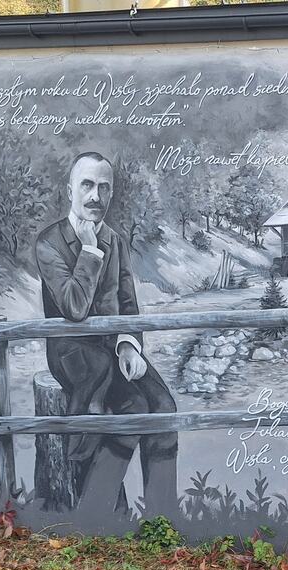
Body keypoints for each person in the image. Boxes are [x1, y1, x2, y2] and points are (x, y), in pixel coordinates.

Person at [35, 150, 177, 517]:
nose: (95, 196)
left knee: (163, 407)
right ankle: (96, 512)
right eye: (87, 185)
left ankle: (162, 517)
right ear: (71, 190)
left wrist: (129, 345)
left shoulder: (116, 240)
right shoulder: (49, 243)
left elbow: (128, 304)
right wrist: (89, 250)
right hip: (73, 353)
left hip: (113, 348)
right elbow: (74, 307)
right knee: (132, 408)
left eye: (104, 188)